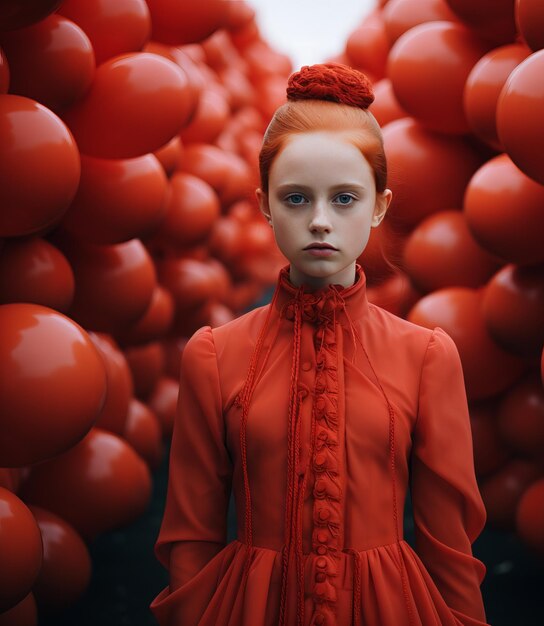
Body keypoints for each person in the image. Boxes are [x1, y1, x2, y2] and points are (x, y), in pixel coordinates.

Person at [150, 63, 489, 626]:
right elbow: (191, 536)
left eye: (346, 198)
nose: (321, 222)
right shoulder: (212, 355)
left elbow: (449, 545)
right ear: (264, 204)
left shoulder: (427, 355)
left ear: (380, 205)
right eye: (297, 198)